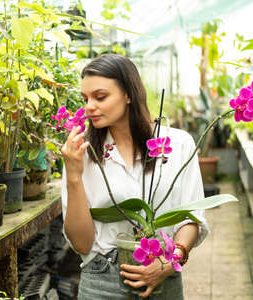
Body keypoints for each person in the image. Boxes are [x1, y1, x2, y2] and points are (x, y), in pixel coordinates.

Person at [60, 53, 208, 300]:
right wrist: (74, 176)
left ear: (129, 94)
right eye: (85, 99)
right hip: (102, 281)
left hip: (162, 275)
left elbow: (192, 218)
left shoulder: (179, 144)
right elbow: (82, 244)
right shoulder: (83, 153)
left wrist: (172, 260)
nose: (88, 107)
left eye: (100, 97)